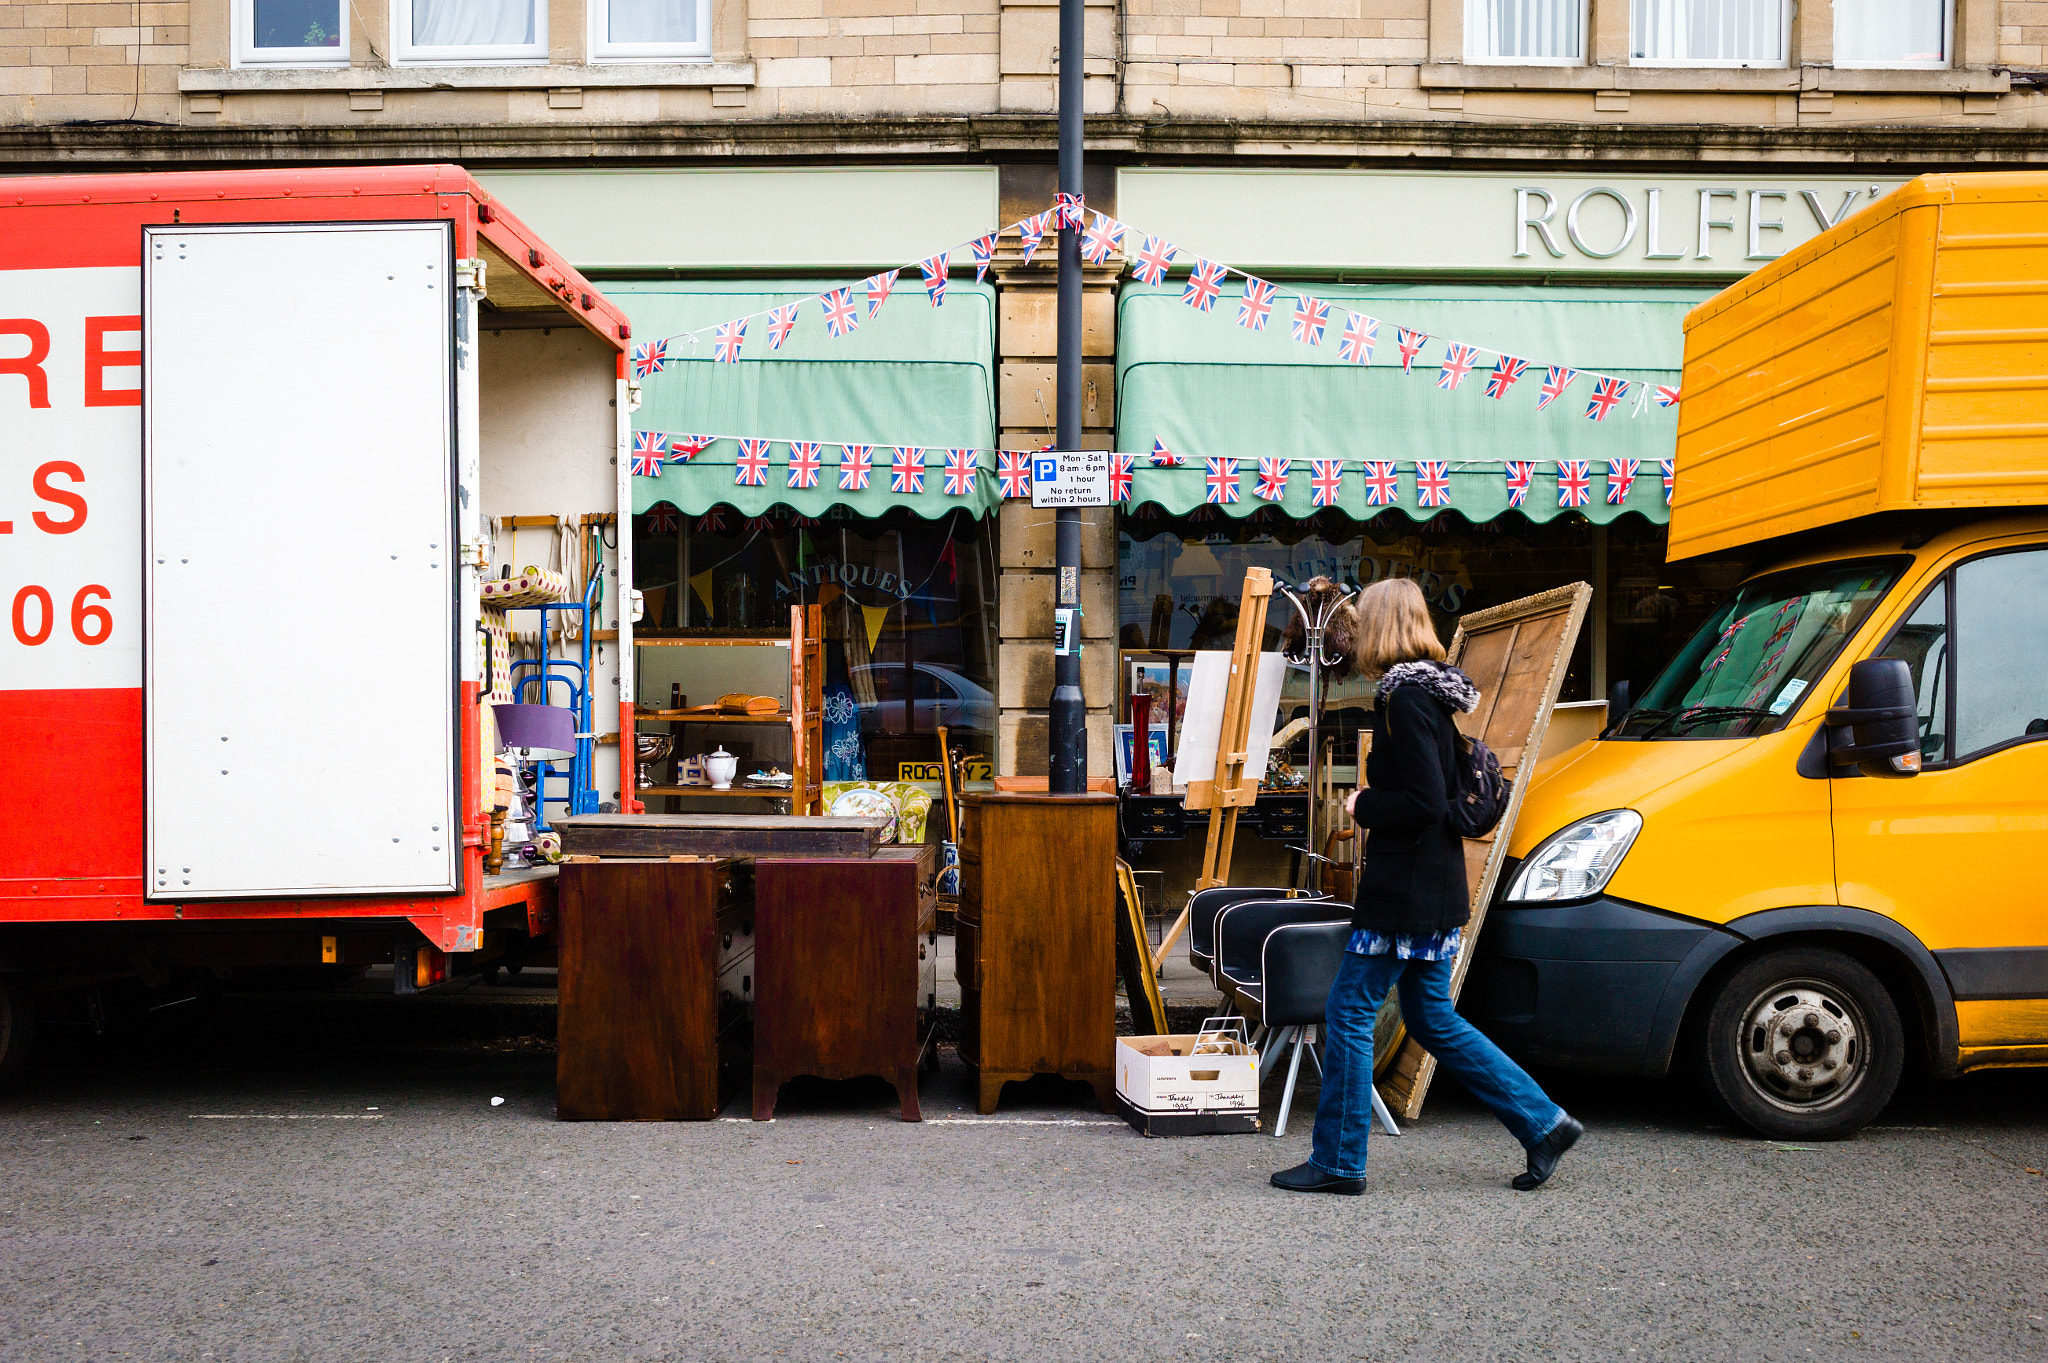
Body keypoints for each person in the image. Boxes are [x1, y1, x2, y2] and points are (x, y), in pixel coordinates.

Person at [1271, 577, 1583, 1196]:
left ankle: (1337, 1162)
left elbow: (1421, 802)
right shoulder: (1430, 695)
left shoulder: (1407, 699)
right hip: (1432, 889)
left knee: (1349, 1012)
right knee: (1432, 1017)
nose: (1355, 630)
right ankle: (1544, 1123)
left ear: (1383, 626)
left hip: (1404, 894)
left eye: (1363, 620)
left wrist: (1363, 803)